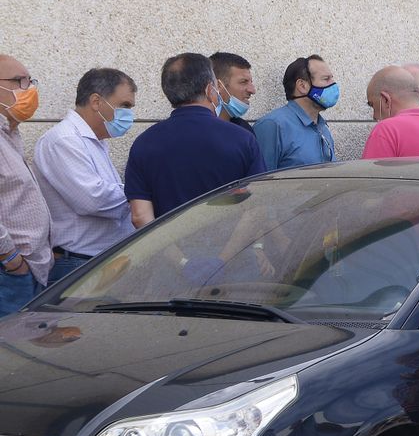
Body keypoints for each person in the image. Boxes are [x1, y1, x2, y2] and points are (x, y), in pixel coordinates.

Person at [124, 54, 265, 226]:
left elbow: (140, 215)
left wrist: (173, 253)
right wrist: (226, 253)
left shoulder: (144, 143)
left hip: (166, 249)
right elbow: (256, 208)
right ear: (209, 89)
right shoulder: (242, 139)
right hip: (231, 247)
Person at [32, 68, 138, 283]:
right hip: (80, 263)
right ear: (96, 101)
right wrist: (139, 193)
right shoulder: (63, 140)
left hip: (101, 260)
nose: (129, 115)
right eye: (124, 106)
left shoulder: (96, 141)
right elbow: (93, 200)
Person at [0, 54, 52, 314]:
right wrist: (11, 260)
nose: (29, 90)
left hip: (31, 268)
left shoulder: (10, 133)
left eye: (30, 81)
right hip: (10, 273)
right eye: (18, 81)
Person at [254, 55, 337, 170]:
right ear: (302, 86)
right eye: (326, 79)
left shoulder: (322, 127)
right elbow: (259, 182)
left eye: (332, 78)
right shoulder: (273, 126)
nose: (333, 84)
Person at [211, 52, 256, 134]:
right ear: (218, 86)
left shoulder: (245, 130)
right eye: (243, 82)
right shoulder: (197, 130)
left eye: (251, 82)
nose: (252, 90)